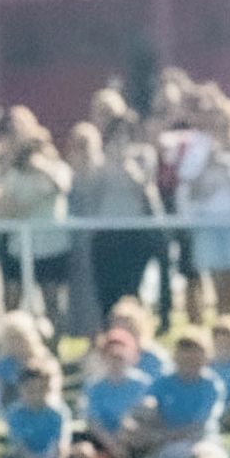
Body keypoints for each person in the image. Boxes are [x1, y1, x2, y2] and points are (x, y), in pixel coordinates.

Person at [174, 90, 230, 340]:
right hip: (208, 224)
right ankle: (226, 344)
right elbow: (191, 192)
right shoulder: (196, 149)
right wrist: (208, 165)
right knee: (219, 288)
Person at [72, 114, 162, 318]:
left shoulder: (144, 156)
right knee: (106, 290)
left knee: (131, 289)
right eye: (116, 134)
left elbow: (145, 188)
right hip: (105, 234)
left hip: (134, 233)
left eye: (125, 134)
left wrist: (126, 164)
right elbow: (87, 189)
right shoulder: (100, 161)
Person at [0, 128, 74, 323]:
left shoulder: (58, 168)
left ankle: (54, 338)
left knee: (52, 299)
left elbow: (63, 186)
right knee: (13, 298)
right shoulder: (14, 175)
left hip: (52, 246)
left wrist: (42, 167)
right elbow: (5, 209)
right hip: (20, 247)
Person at [133, 329, 226, 458]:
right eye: (185, 359)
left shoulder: (211, 385)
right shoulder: (163, 382)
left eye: (194, 359)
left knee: (205, 453)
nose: (189, 364)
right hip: (169, 442)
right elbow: (143, 407)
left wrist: (165, 437)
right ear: (175, 358)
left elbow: (200, 424)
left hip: (201, 438)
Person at [77, 328, 154, 458]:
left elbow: (148, 414)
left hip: (133, 436)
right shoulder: (94, 386)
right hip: (103, 438)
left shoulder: (142, 383)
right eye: (111, 356)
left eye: (120, 356)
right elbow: (93, 420)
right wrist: (112, 444)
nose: (116, 361)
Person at [0, 361, 72, 458]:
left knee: (81, 453)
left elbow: (62, 444)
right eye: (30, 390)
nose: (36, 394)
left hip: (53, 456)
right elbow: (19, 444)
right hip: (27, 457)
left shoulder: (58, 411)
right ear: (20, 390)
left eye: (40, 389)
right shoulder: (15, 413)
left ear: (47, 388)